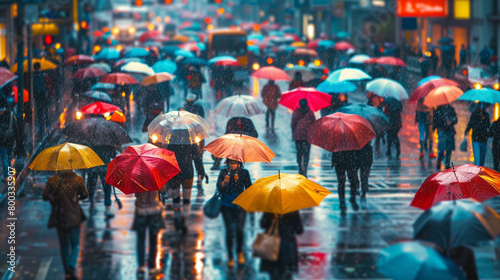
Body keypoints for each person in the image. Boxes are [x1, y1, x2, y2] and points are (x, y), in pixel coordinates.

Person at [42, 170, 88, 280]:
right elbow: (85, 194)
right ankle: (72, 265)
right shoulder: (77, 179)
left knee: (64, 245)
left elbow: (44, 196)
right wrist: (76, 197)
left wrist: (52, 196)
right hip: (74, 217)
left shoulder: (53, 180)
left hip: (60, 217)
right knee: (75, 243)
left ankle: (68, 271)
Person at [216, 159, 252, 267]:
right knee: (230, 230)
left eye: (235, 162)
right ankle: (231, 256)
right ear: (227, 162)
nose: (233, 165)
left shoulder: (244, 173)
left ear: (239, 163)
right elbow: (219, 189)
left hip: (240, 205)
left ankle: (239, 252)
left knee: (239, 229)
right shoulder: (223, 172)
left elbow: (249, 188)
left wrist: (238, 181)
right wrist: (224, 183)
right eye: (231, 162)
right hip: (227, 205)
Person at [165, 144, 207, 232]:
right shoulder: (191, 144)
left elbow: (166, 159)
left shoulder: (171, 144)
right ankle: (184, 217)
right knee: (186, 199)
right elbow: (197, 159)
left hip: (174, 173)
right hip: (187, 173)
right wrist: (201, 172)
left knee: (175, 198)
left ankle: (177, 216)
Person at [260, 211, 303, 280]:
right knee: (287, 276)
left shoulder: (270, 209)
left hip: (272, 248)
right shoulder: (292, 210)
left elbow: (263, 224)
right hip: (288, 250)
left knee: (274, 276)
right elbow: (299, 229)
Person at [132, 190, 165, 278]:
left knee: (141, 240)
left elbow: (137, 194)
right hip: (154, 211)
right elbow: (163, 189)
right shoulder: (156, 178)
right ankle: (151, 267)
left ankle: (141, 267)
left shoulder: (137, 178)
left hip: (141, 211)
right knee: (153, 241)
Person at [87, 144, 117, 217]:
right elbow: (113, 155)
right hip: (104, 167)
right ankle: (107, 209)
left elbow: (87, 154)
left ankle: (92, 204)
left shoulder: (91, 141)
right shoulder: (108, 142)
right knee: (107, 188)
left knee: (91, 186)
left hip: (93, 166)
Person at [184, 93, 206, 188]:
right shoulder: (184, 109)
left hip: (197, 133)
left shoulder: (198, 108)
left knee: (199, 156)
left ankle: (200, 176)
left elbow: (201, 119)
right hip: (188, 134)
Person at [291, 99, 316, 177]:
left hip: (298, 136)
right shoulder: (310, 113)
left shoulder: (296, 112)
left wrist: (294, 133)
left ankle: (300, 167)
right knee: (306, 154)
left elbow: (293, 124)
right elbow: (314, 124)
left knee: (299, 153)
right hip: (307, 137)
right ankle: (305, 169)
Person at [332, 150, 360, 215]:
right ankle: (344, 202)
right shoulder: (352, 142)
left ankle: (344, 202)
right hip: (348, 160)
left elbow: (333, 149)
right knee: (346, 182)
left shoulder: (337, 141)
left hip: (343, 160)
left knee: (345, 182)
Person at [433, 104, 458, 169]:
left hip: (450, 131)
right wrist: (443, 123)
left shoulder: (451, 109)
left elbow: (455, 120)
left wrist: (451, 122)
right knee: (441, 148)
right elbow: (435, 121)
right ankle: (439, 162)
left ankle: (447, 164)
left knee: (449, 148)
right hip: (442, 131)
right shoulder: (438, 110)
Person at [0, 107, 19, 181]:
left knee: (4, 158)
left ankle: (6, 176)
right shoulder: (11, 115)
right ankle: (9, 174)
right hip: (10, 140)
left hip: (2, 140)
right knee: (9, 158)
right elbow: (15, 127)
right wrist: (16, 139)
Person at [356, 142, 373, 208]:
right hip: (363, 160)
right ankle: (363, 189)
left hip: (364, 160)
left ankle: (363, 189)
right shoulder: (368, 144)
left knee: (363, 176)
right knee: (364, 176)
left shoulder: (367, 145)